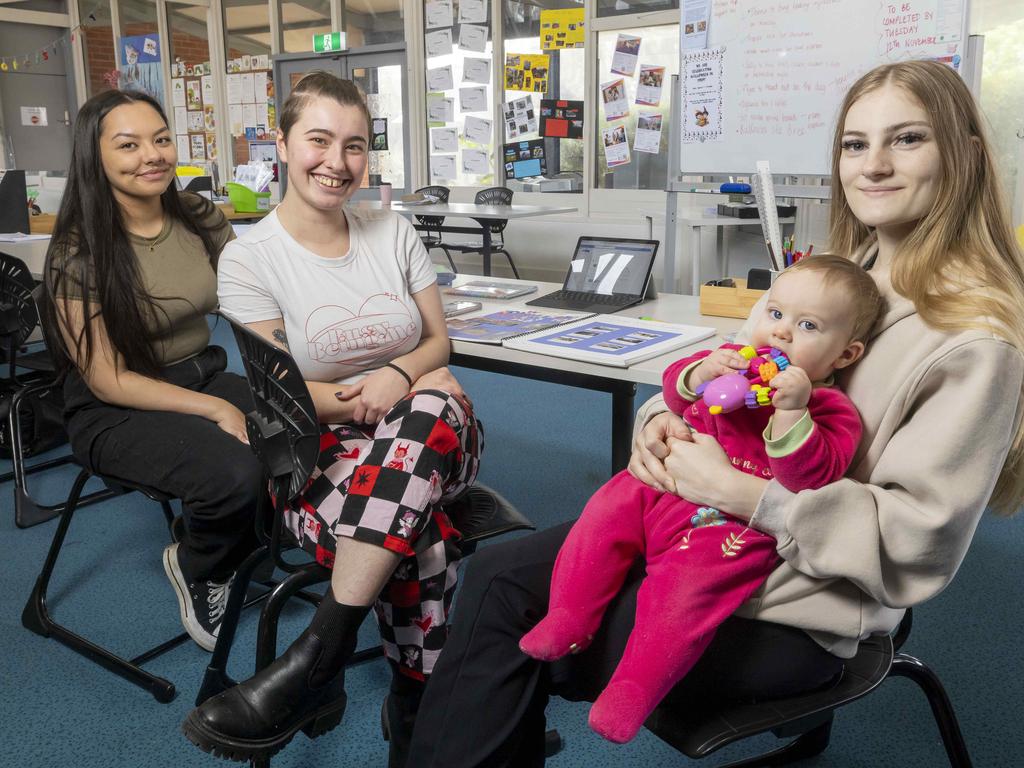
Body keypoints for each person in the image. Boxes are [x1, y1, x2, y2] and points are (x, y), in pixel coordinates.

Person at [405, 59, 1024, 767]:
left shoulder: (973, 342)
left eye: (907, 139)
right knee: (495, 577)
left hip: (791, 605)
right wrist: (655, 430)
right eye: (855, 144)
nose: (874, 165)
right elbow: (708, 383)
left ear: (967, 152)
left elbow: (916, 541)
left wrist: (742, 494)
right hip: (691, 523)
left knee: (515, 625)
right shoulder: (821, 278)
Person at [182, 72, 481, 767]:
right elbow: (280, 396)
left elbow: (440, 344)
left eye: (355, 146)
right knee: (423, 541)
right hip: (318, 447)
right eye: (319, 140)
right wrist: (393, 388)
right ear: (282, 143)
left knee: (435, 402)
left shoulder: (392, 230)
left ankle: (319, 652)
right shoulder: (249, 258)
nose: (337, 162)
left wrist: (403, 375)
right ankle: (416, 719)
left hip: (440, 435)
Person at [520, 255, 883, 744]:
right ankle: (570, 613)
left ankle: (634, 689)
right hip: (667, 482)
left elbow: (809, 478)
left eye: (809, 326)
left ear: (845, 355)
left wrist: (791, 412)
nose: (781, 334)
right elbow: (675, 392)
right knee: (603, 513)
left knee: (686, 594)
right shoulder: (733, 356)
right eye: (775, 315)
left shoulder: (830, 409)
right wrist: (699, 373)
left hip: (728, 523)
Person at [40, 90, 262, 652]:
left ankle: (230, 543)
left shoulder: (199, 216)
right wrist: (217, 407)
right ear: (95, 157)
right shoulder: (78, 251)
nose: (152, 155)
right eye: (129, 144)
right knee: (235, 470)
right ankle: (199, 564)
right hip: (114, 410)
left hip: (201, 374)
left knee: (298, 426)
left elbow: (254, 297)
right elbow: (106, 379)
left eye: (161, 139)